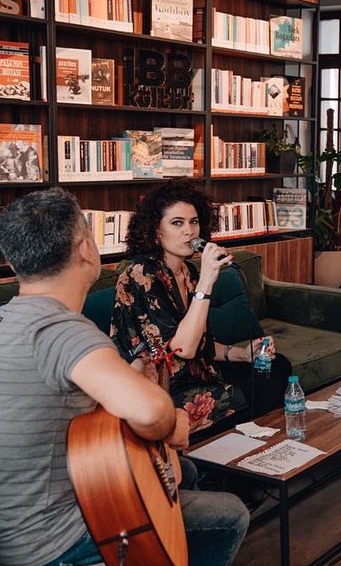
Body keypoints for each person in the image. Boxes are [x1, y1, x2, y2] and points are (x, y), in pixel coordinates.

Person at [0, 188, 247, 566]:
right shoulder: (63, 331)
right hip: (44, 542)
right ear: (85, 249)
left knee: (185, 474)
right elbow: (154, 414)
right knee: (227, 517)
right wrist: (173, 421)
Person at [111, 182, 291, 434]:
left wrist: (241, 354)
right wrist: (207, 282)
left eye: (193, 222)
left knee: (278, 365)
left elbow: (201, 342)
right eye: (177, 223)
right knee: (264, 390)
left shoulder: (188, 271)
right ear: (155, 231)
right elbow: (183, 349)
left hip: (197, 372)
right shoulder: (141, 276)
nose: (189, 231)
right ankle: (225, 459)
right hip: (162, 388)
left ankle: (242, 442)